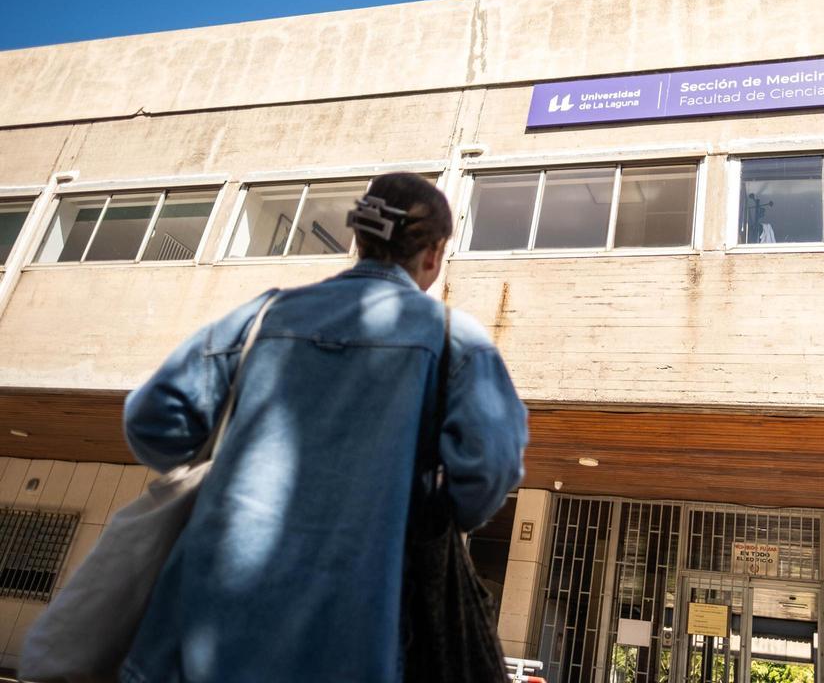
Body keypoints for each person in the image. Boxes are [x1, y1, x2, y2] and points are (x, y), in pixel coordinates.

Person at [119, 173, 528, 683]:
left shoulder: (263, 315)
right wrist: (435, 511)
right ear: (434, 253)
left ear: (360, 238)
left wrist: (227, 472)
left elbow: (152, 418)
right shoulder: (456, 341)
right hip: (358, 633)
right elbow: (492, 466)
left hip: (200, 629)